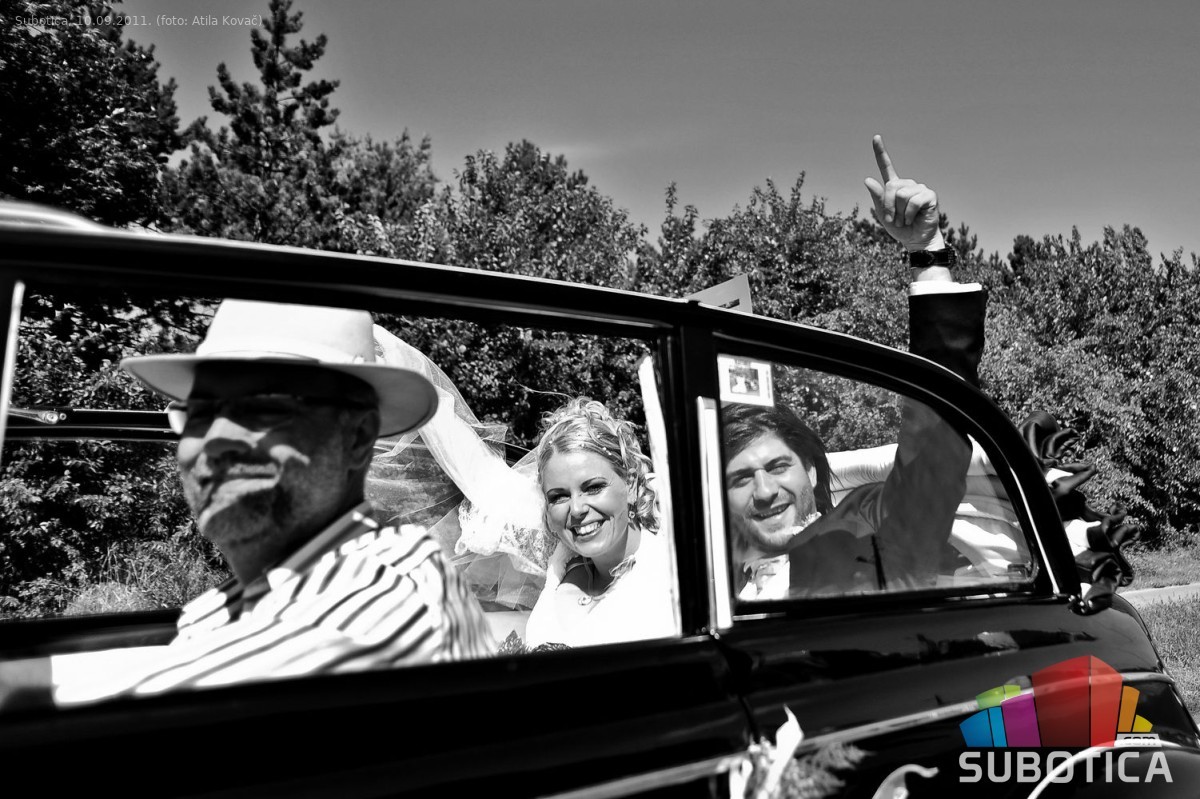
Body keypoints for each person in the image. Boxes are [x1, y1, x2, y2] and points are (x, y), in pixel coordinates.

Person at [52, 299, 495, 704]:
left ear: (357, 437)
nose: (216, 440)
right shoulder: (247, 597)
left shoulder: (387, 597)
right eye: (200, 412)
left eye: (264, 407)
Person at [726, 135, 986, 599]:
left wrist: (927, 252)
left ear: (811, 470)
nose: (764, 491)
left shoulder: (863, 542)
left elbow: (934, 449)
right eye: (740, 478)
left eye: (777, 466)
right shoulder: (699, 583)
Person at [523, 398, 677, 648]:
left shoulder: (669, 581)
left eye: (593, 487)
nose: (576, 509)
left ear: (631, 486)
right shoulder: (561, 564)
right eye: (559, 496)